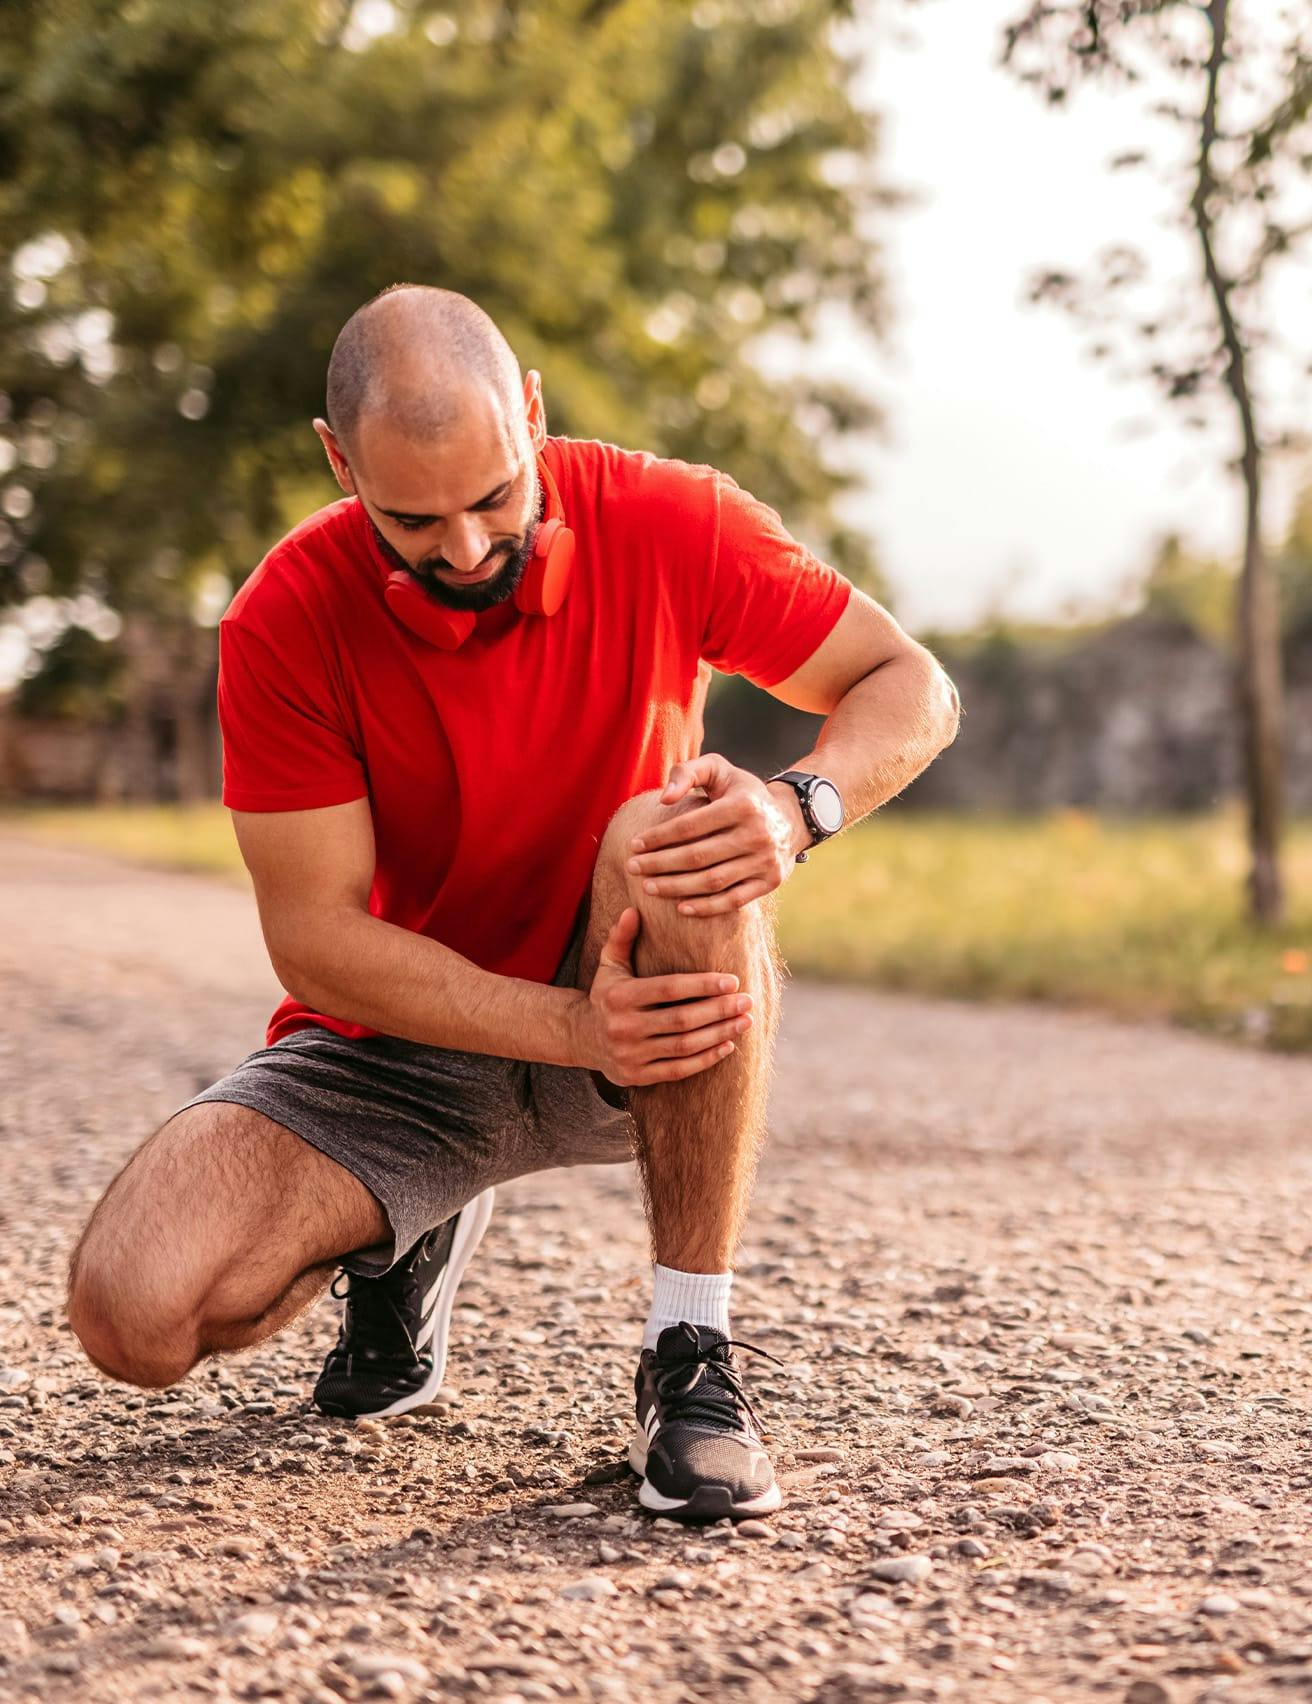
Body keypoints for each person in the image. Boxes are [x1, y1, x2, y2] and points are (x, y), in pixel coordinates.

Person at [68, 285, 959, 1523]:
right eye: (413, 519)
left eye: (495, 497)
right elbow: (315, 940)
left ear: (531, 413)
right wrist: (564, 1031)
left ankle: (691, 1355)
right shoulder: (283, 616)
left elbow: (906, 680)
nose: (468, 550)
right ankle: (400, 1234)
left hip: (634, 994)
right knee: (136, 1313)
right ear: (338, 464)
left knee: (678, 830)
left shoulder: (671, 518)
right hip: (407, 1046)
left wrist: (794, 807)